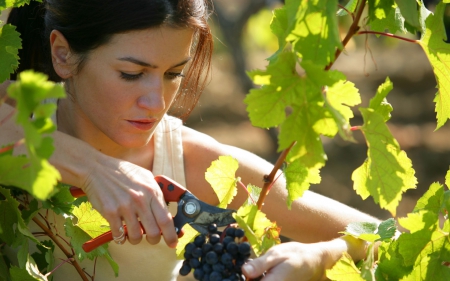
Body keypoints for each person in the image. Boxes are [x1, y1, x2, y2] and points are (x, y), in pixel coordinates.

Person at [0, 1, 380, 280]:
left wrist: (322, 258)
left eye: (173, 74)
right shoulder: (13, 117)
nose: (157, 102)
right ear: (63, 54)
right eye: (132, 74)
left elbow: (385, 236)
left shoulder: (201, 166)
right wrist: (92, 167)